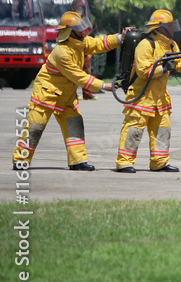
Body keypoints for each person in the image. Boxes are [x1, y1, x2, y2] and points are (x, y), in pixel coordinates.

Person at [12, 12, 129, 170]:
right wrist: (104, 86)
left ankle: (77, 161)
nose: (84, 31)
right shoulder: (62, 52)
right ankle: (20, 160)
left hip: (66, 96)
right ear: (69, 31)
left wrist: (120, 38)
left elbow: (98, 43)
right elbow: (78, 76)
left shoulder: (80, 43)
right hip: (46, 93)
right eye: (79, 29)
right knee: (35, 127)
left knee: (74, 124)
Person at [116, 9, 181, 173]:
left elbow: (180, 64)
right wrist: (165, 67)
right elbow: (143, 72)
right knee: (133, 130)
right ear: (160, 27)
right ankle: (124, 162)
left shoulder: (171, 45)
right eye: (170, 25)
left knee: (162, 131)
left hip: (160, 99)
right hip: (141, 97)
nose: (174, 29)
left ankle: (159, 162)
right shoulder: (146, 44)